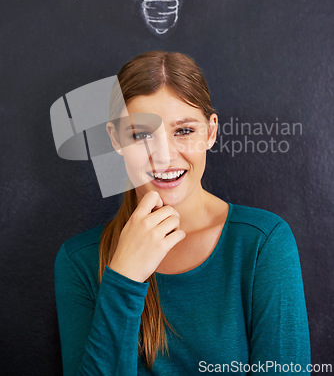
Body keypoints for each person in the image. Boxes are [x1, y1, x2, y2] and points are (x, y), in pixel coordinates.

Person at [54, 51, 311, 375]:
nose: (163, 156)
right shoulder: (79, 261)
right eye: (141, 134)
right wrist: (124, 278)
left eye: (184, 131)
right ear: (115, 139)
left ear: (210, 131)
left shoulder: (263, 244)